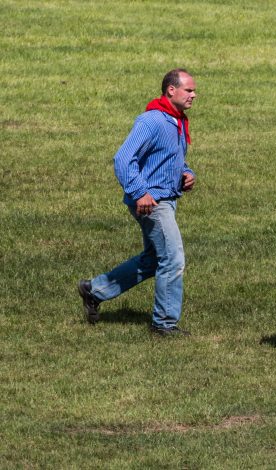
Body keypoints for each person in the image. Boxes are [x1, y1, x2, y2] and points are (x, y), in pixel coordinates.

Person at [78, 68, 198, 337]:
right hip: (152, 202)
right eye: (189, 90)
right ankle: (164, 324)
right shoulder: (152, 121)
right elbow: (123, 158)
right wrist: (140, 192)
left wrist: (187, 173)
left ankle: (94, 290)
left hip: (163, 198)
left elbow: (169, 159)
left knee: (153, 259)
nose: (194, 95)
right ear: (171, 90)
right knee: (173, 259)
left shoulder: (176, 120)